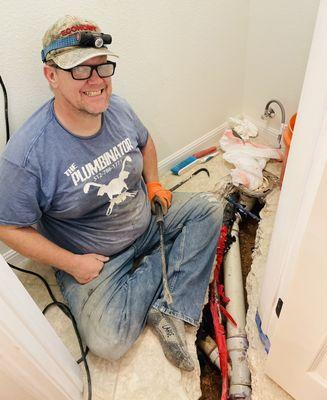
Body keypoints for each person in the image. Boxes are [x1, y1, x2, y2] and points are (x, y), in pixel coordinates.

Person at [0, 15, 222, 371]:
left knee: (210, 207)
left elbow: (145, 142)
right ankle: (162, 268)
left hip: (146, 219)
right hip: (96, 259)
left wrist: (152, 182)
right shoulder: (27, 156)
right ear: (51, 75)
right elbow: (9, 228)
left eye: (102, 67)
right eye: (80, 70)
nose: (97, 81)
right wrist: (72, 264)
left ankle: (168, 308)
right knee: (109, 340)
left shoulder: (119, 108)